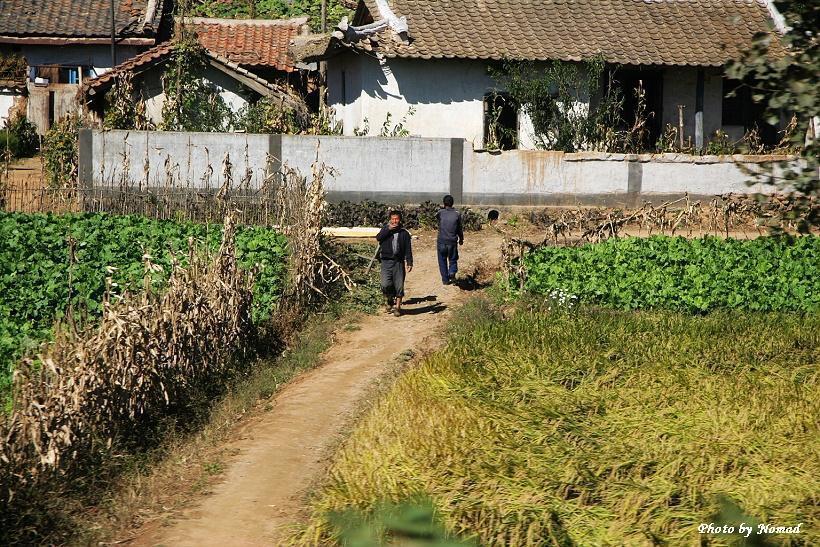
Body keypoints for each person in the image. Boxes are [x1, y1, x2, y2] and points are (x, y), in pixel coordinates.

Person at [376, 210, 413, 316]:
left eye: (396, 219)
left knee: (399, 285)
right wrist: (388, 229)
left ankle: (397, 307)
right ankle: (389, 299)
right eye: (393, 219)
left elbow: (408, 249)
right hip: (386, 261)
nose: (395, 221)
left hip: (398, 262)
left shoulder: (404, 233)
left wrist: (409, 262)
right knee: (385, 284)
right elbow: (378, 238)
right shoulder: (385, 230)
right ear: (390, 220)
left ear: (400, 220)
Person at [436, 195, 464, 285]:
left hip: (441, 241)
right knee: (453, 258)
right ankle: (452, 271)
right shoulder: (457, 214)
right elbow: (459, 228)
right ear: (453, 203)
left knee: (442, 260)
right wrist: (461, 239)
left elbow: (437, 219)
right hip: (452, 241)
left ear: (444, 203)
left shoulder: (440, 213)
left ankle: (445, 280)